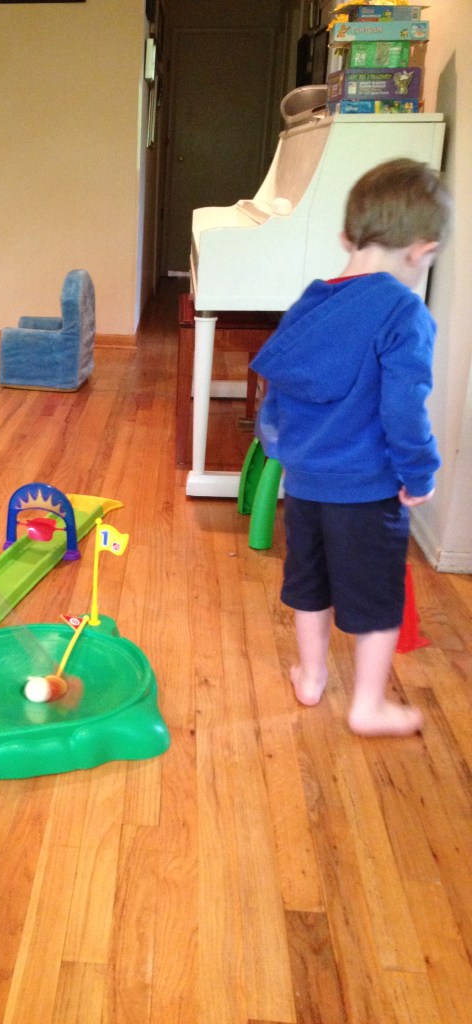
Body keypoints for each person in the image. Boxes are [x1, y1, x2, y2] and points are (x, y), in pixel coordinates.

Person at [250, 158, 453, 737]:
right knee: (378, 600)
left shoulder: (311, 303)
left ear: (347, 238)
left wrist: (284, 450)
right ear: (421, 252)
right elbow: (403, 409)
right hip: (367, 492)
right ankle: (367, 705)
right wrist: (420, 473)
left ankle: (312, 677)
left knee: (309, 585)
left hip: (305, 487)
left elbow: (281, 392)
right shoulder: (403, 312)